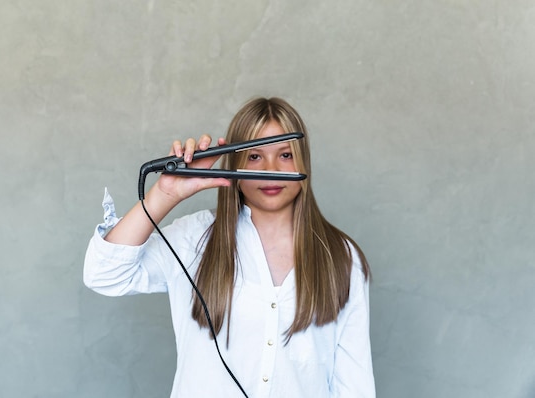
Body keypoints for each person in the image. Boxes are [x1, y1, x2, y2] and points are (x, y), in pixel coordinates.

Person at [83, 97, 375, 397]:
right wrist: (165, 194)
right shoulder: (194, 238)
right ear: (233, 163)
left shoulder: (342, 257)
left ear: (304, 162)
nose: (271, 170)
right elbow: (104, 274)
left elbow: (354, 385)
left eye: (285, 154)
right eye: (254, 157)